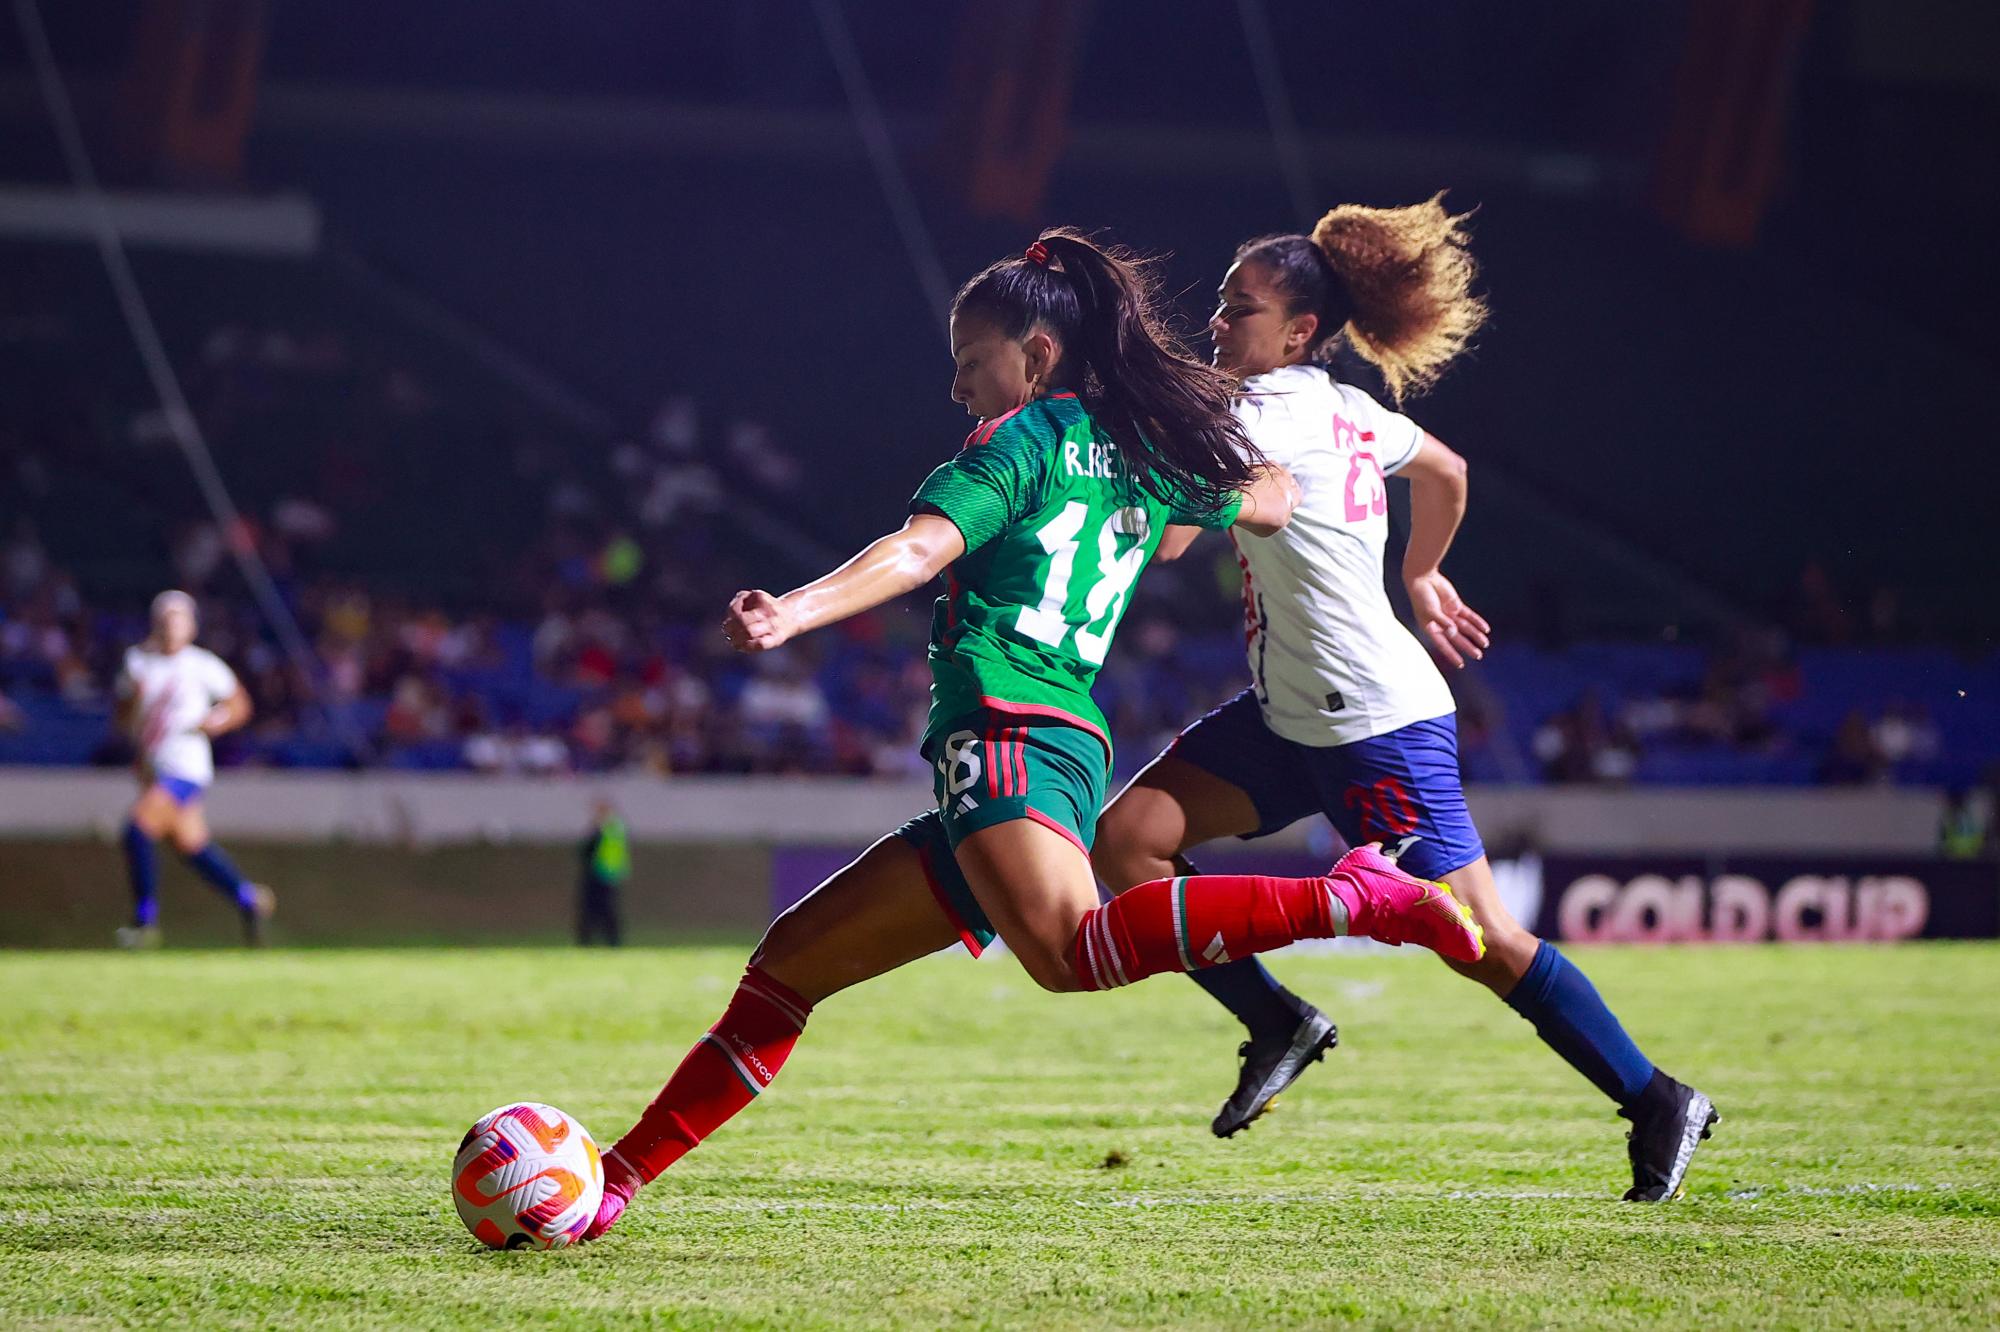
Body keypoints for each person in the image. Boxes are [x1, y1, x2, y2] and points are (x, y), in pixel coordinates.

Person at [581, 230, 1487, 1240]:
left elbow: (918, 548)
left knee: (1066, 954)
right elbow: (1269, 499)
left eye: (973, 361)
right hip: (1050, 741)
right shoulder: (1137, 453)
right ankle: (607, 1186)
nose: (960, 385)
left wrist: (792, 611)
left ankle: (1350, 897)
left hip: (1007, 730)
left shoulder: (1017, 444)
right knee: (788, 967)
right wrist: (1258, 471)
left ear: (1037, 355)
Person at [1092, 197, 1717, 1202]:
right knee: (1127, 843)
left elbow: (1168, 540)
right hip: (1285, 714)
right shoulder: (1345, 409)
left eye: (1236, 307)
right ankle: (1276, 1023)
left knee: (1475, 940)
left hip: (1372, 725)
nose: (1217, 321)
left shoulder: (1258, 415)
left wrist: (1132, 445)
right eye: (1219, 301)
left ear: (1298, 330)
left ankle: (1652, 1097)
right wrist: (1419, 575)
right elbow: (1446, 468)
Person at [112, 591, 275, 947]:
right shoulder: (138, 662)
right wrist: (133, 706)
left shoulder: (202, 664)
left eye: (179, 618)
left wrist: (215, 721)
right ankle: (249, 899)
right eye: (166, 618)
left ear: (192, 625)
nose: (172, 625)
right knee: (192, 847)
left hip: (186, 769)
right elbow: (123, 718)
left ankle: (145, 923)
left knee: (137, 830)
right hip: (154, 768)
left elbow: (239, 705)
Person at [578, 798, 631, 946]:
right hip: (605, 873)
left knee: (602, 910)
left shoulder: (609, 827)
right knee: (600, 910)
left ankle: (606, 941)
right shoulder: (613, 826)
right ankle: (602, 941)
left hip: (603, 873)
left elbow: (588, 850)